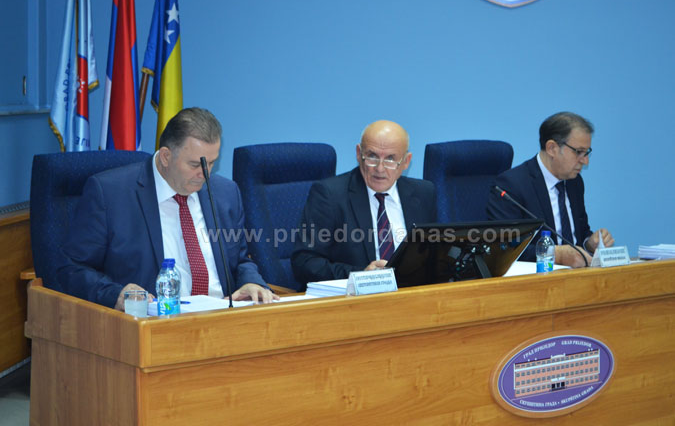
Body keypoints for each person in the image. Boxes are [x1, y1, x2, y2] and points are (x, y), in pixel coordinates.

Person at [58, 107, 278, 310]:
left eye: (211, 163)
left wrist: (252, 282)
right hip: (152, 324)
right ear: (165, 157)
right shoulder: (110, 193)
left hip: (221, 319)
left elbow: (239, 260)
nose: (205, 173)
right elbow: (71, 268)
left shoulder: (225, 193)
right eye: (195, 164)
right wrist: (114, 294)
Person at [291, 120, 436, 286]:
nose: (380, 168)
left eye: (390, 159)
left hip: (412, 293)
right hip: (357, 298)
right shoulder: (330, 195)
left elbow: (433, 254)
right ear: (359, 154)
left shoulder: (424, 193)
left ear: (406, 162)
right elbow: (304, 262)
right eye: (372, 156)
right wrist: (361, 275)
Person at [486, 111, 614, 267]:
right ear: (552, 148)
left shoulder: (574, 182)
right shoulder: (512, 185)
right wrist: (554, 254)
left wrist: (589, 243)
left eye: (587, 152)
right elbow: (504, 248)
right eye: (579, 152)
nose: (585, 161)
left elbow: (580, 233)